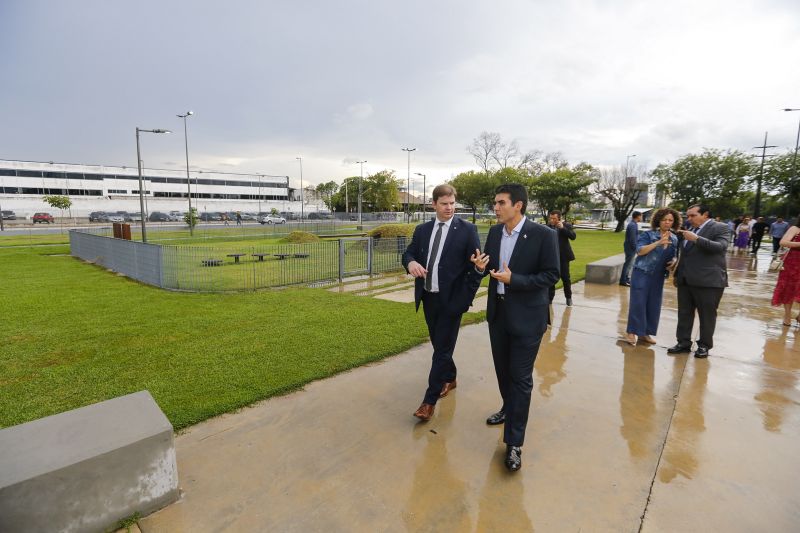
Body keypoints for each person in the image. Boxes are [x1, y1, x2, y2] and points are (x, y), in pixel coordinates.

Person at [470, 183, 560, 472]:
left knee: (520, 378)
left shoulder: (543, 235)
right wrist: (480, 267)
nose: (495, 207)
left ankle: (514, 443)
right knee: (503, 371)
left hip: (528, 318)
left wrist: (515, 280)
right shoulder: (496, 232)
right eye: (495, 203)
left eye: (501, 203)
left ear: (518, 205)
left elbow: (552, 275)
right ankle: (508, 408)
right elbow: (490, 267)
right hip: (498, 314)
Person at [402, 184, 482, 422]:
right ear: (434, 204)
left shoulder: (467, 230)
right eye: (444, 204)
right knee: (441, 346)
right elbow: (408, 253)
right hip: (428, 298)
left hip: (452, 302)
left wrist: (465, 299)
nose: (449, 208)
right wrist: (410, 263)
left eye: (452, 203)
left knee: (441, 352)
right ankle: (451, 377)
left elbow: (476, 268)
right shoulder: (422, 230)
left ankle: (428, 402)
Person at [668, 204, 730, 358]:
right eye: (688, 216)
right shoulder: (690, 229)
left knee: (707, 316)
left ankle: (704, 345)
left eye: (693, 215)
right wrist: (677, 273)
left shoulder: (720, 227)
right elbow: (685, 254)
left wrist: (696, 239)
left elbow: (721, 247)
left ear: (705, 214)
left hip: (708, 281)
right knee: (684, 314)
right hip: (686, 279)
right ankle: (683, 342)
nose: (689, 219)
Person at [622, 208, 680, 345]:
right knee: (638, 303)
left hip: (658, 276)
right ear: (658, 220)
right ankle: (632, 332)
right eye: (664, 219)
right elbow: (640, 251)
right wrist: (658, 243)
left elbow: (674, 256)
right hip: (642, 273)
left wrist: (674, 261)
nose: (667, 222)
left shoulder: (674, 238)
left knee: (653, 304)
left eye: (670, 220)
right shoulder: (648, 234)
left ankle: (645, 333)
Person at [771, 216, 800, 327]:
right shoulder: (795, 229)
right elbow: (783, 242)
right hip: (792, 263)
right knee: (789, 289)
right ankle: (787, 316)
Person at [545, 210, 576, 305]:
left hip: (563, 257)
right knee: (551, 278)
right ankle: (549, 299)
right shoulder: (547, 227)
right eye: (550, 218)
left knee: (566, 278)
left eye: (554, 218)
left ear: (559, 218)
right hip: (551, 257)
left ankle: (568, 298)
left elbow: (573, 236)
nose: (551, 220)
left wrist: (563, 228)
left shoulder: (566, 225)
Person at [620, 211, 642, 286]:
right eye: (641, 216)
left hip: (630, 247)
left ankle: (626, 279)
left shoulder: (634, 224)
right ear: (638, 216)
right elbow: (632, 239)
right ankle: (623, 281)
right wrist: (636, 249)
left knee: (629, 264)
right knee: (628, 264)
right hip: (630, 248)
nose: (641, 218)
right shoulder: (632, 225)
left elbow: (636, 237)